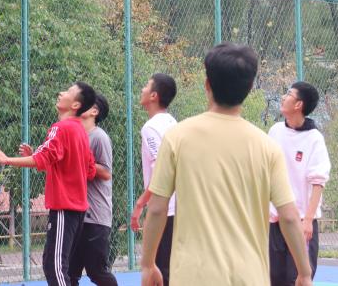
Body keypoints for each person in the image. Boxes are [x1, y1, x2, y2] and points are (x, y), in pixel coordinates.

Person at [139, 43, 314, 286]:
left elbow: (157, 209)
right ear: (250, 88)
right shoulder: (267, 147)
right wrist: (304, 273)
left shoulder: (177, 138)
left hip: (192, 277)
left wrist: (148, 265)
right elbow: (290, 217)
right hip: (249, 277)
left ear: (207, 84)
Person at [0, 82, 97, 286]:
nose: (61, 92)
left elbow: (44, 158)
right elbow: (86, 170)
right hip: (75, 210)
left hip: (65, 209)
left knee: (55, 268)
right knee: (53, 264)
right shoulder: (80, 131)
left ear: (75, 105)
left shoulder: (61, 128)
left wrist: (6, 160)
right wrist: (36, 156)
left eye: (68, 91)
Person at [268, 81, 331, 285]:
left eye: (288, 94)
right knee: (273, 279)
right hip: (275, 221)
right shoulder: (275, 131)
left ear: (298, 104)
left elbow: (318, 182)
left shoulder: (314, 139)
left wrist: (308, 220)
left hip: (301, 221)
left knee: (299, 279)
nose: (283, 97)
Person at [130, 73, 177, 285]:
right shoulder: (172, 122)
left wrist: (141, 203)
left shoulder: (150, 127)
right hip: (179, 207)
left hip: (166, 209)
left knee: (158, 271)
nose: (142, 89)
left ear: (154, 96)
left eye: (146, 86)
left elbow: (161, 170)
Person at [68, 93, 118, 286]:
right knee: (69, 272)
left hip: (95, 216)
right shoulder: (74, 134)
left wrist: (81, 159)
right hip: (75, 214)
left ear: (94, 111)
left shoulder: (99, 137)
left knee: (97, 271)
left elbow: (106, 172)